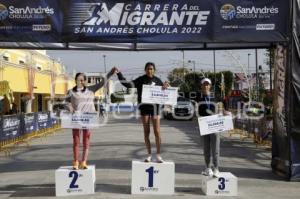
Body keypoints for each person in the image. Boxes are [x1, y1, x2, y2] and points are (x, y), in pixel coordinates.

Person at [113, 63, 169, 163]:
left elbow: (165, 93)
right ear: (145, 70)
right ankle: (149, 155)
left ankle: (159, 155)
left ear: (154, 70)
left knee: (157, 132)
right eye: (148, 69)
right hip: (144, 108)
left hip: (155, 108)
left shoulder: (158, 80)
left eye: (151, 69)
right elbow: (128, 84)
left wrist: (166, 86)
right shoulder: (141, 79)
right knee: (146, 132)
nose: (149, 70)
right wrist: (119, 74)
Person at [66, 70, 114, 170]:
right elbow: (66, 102)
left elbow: (103, 82)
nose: (81, 82)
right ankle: (75, 161)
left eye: (83, 80)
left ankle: (83, 162)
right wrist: (70, 107)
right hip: (76, 119)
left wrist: (111, 73)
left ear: (86, 81)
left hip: (88, 119)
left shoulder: (92, 89)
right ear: (75, 81)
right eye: (79, 80)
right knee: (76, 141)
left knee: (86, 141)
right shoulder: (71, 92)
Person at [197, 78, 229, 177]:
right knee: (206, 148)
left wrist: (225, 111)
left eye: (207, 85)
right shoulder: (198, 97)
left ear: (210, 86)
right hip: (203, 125)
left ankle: (216, 168)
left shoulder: (215, 96)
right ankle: (207, 167)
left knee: (215, 148)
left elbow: (224, 100)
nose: (206, 86)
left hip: (214, 124)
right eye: (204, 84)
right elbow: (182, 96)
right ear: (201, 86)